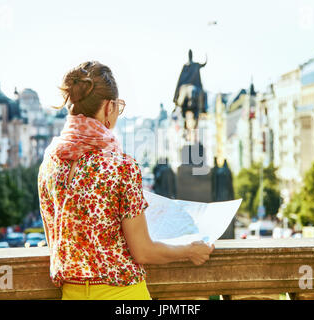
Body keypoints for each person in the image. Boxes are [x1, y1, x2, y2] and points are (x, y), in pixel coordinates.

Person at [37, 61, 214, 300]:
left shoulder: (50, 162)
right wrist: (190, 251)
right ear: (109, 107)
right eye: (118, 107)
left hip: (72, 294)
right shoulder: (121, 166)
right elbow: (142, 251)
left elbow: (54, 240)